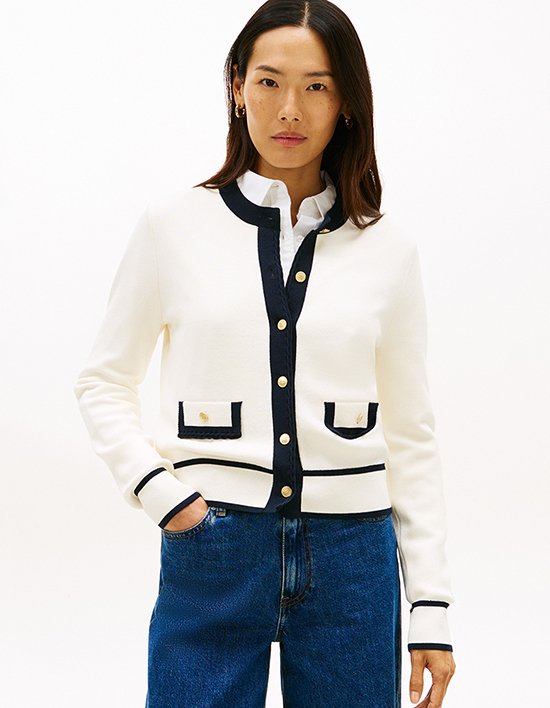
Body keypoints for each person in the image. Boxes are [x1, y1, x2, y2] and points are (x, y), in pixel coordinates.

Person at [73, 0, 457, 706]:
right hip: (212, 545)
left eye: (317, 86)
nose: (290, 110)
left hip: (354, 560)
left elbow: (411, 433)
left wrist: (429, 606)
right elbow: (103, 383)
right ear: (238, 87)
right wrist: (164, 496)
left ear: (346, 102)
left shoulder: (388, 248)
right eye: (270, 81)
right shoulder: (172, 227)